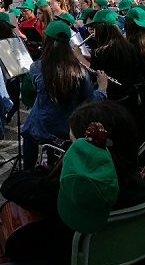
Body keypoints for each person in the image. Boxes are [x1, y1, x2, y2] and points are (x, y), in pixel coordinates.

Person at [0, 100, 145, 265]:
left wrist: (45, 172)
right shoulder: (141, 187)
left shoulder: (74, 189)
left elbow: (11, 185)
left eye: (73, 144)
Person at [21, 21, 108, 167]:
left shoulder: (36, 67)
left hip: (43, 128)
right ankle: (52, 164)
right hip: (67, 128)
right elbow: (91, 102)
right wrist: (102, 88)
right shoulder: (79, 70)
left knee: (29, 127)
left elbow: (36, 90)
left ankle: (27, 170)